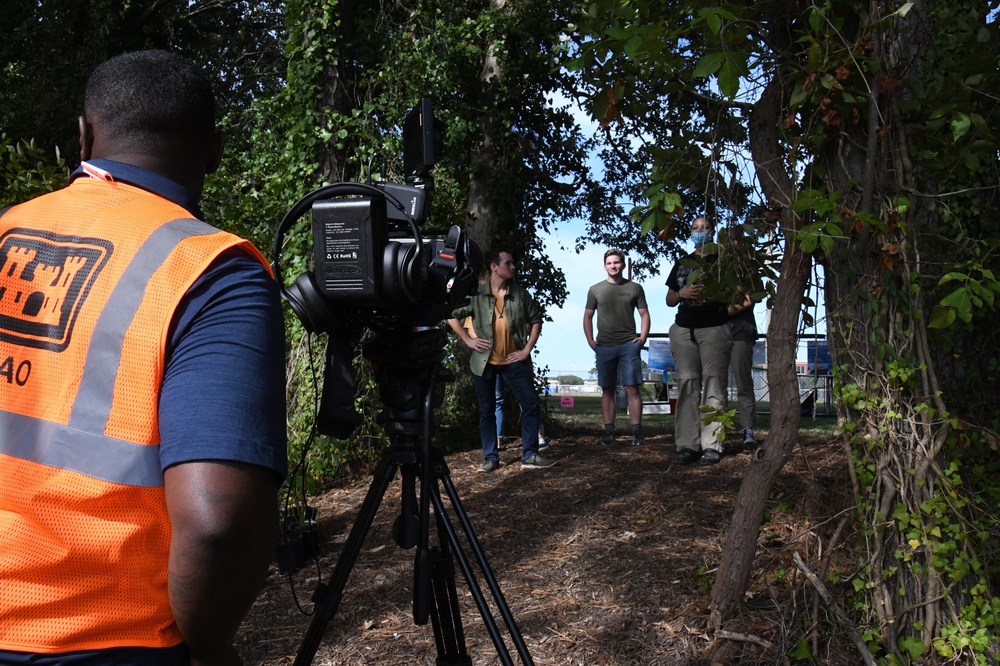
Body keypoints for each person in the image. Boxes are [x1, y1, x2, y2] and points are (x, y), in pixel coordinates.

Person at [0, 50, 287, 665]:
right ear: (213, 151)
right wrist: (211, 650)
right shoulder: (212, 272)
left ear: (83, 135)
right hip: (106, 639)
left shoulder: (6, 228)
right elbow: (217, 524)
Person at [448, 250, 555, 472]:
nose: (513, 266)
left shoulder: (520, 294)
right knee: (487, 410)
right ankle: (490, 458)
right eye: (508, 263)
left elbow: (536, 320)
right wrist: (468, 340)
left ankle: (530, 455)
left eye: (513, 262)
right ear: (494, 267)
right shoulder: (477, 295)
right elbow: (451, 315)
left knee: (531, 403)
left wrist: (526, 349)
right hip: (484, 363)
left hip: (514, 361)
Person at [665, 216, 737, 466]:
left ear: (712, 231)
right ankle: (687, 445)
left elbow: (742, 296)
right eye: (695, 228)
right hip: (684, 329)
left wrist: (722, 315)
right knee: (687, 386)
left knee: (714, 386)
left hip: (713, 329)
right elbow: (670, 298)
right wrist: (682, 293)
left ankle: (712, 445)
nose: (699, 232)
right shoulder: (683, 263)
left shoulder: (723, 262)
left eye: (704, 228)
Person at [583, 249, 651, 446]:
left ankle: (637, 433)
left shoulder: (635, 288)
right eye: (609, 263)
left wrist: (642, 338)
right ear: (605, 266)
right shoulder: (595, 290)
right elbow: (587, 316)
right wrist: (590, 341)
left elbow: (644, 314)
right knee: (607, 389)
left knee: (632, 388)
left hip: (629, 344)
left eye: (616, 262)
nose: (613, 266)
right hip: (604, 345)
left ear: (622, 264)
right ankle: (609, 432)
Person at [730, 295, 759, 448]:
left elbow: (749, 299)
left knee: (744, 384)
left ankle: (748, 429)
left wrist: (718, 317)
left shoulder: (747, 272)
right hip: (714, 333)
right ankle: (714, 431)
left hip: (741, 334)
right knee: (714, 386)